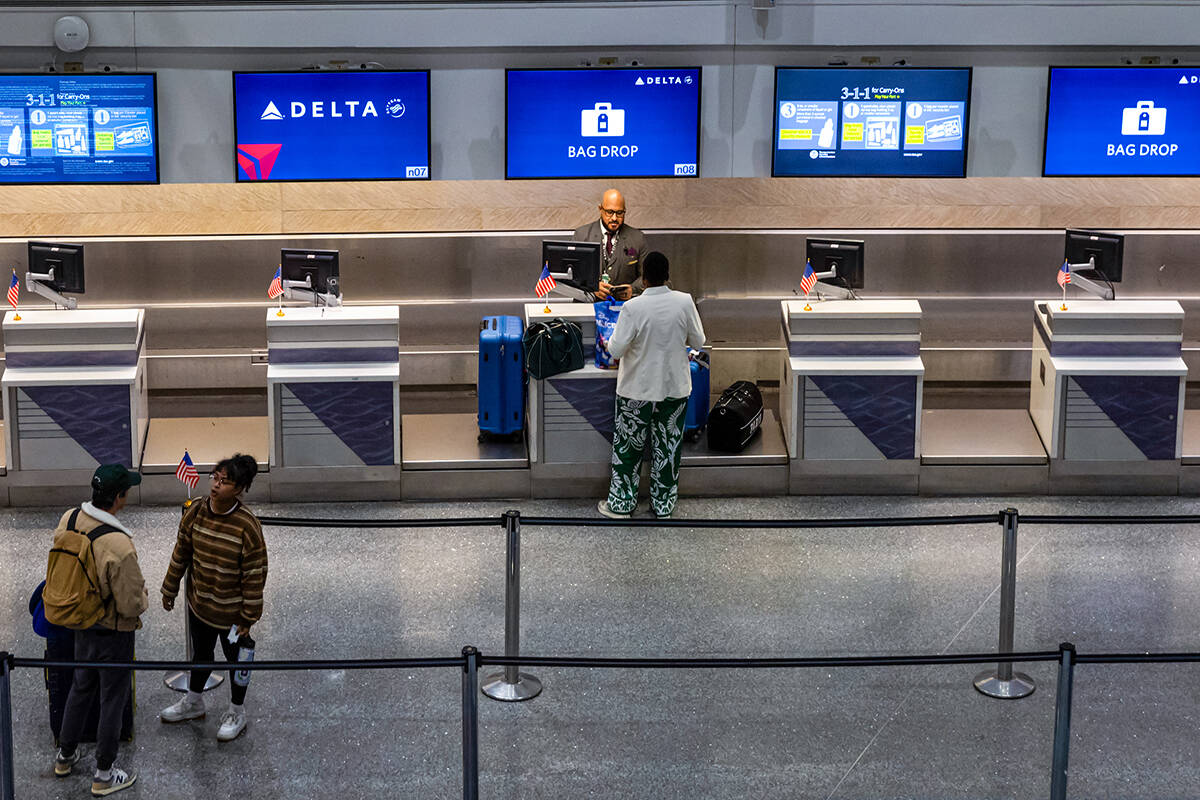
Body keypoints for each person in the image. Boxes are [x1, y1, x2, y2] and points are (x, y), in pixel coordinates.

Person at [52, 464, 147, 797]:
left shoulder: (70, 519)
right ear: (119, 498)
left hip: (79, 621)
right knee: (111, 698)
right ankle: (104, 774)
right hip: (112, 632)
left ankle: (65, 756)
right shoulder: (119, 545)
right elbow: (131, 604)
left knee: (80, 686)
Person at [159, 454, 266, 742]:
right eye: (215, 478)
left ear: (240, 488)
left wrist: (248, 616)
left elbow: (255, 575)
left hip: (232, 616)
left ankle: (237, 710)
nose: (216, 486)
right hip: (200, 607)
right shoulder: (196, 512)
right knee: (201, 655)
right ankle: (194, 702)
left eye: (225, 482)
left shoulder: (247, 526)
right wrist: (170, 587)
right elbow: (181, 552)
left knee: (238, 660)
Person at [598, 251, 705, 520]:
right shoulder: (684, 302)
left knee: (628, 450)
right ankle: (663, 505)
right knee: (668, 450)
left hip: (636, 391)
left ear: (643, 279)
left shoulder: (633, 308)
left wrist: (609, 342)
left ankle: (622, 504)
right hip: (674, 389)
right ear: (667, 277)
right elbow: (699, 341)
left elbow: (616, 349)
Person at [574, 188, 647, 302]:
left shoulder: (637, 238)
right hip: (588, 307)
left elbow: (648, 277)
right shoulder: (581, 235)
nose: (614, 218)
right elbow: (572, 276)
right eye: (609, 212)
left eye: (619, 213)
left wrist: (633, 289)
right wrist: (591, 286)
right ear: (600, 209)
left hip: (624, 308)